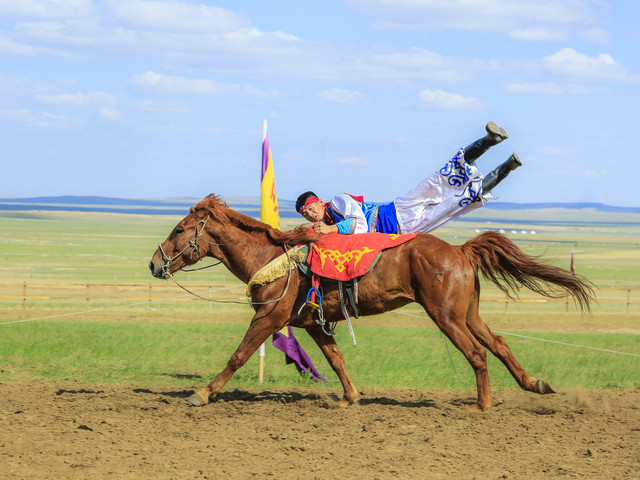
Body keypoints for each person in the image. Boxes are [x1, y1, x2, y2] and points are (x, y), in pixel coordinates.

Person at [296, 122, 521, 235]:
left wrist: (331, 230)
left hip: (397, 210)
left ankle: (490, 139)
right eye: (306, 214)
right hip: (405, 231)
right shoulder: (324, 225)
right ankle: (507, 167)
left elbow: (359, 224)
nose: (310, 214)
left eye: (310, 208)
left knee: (440, 179)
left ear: (318, 201)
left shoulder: (338, 202)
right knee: (457, 203)